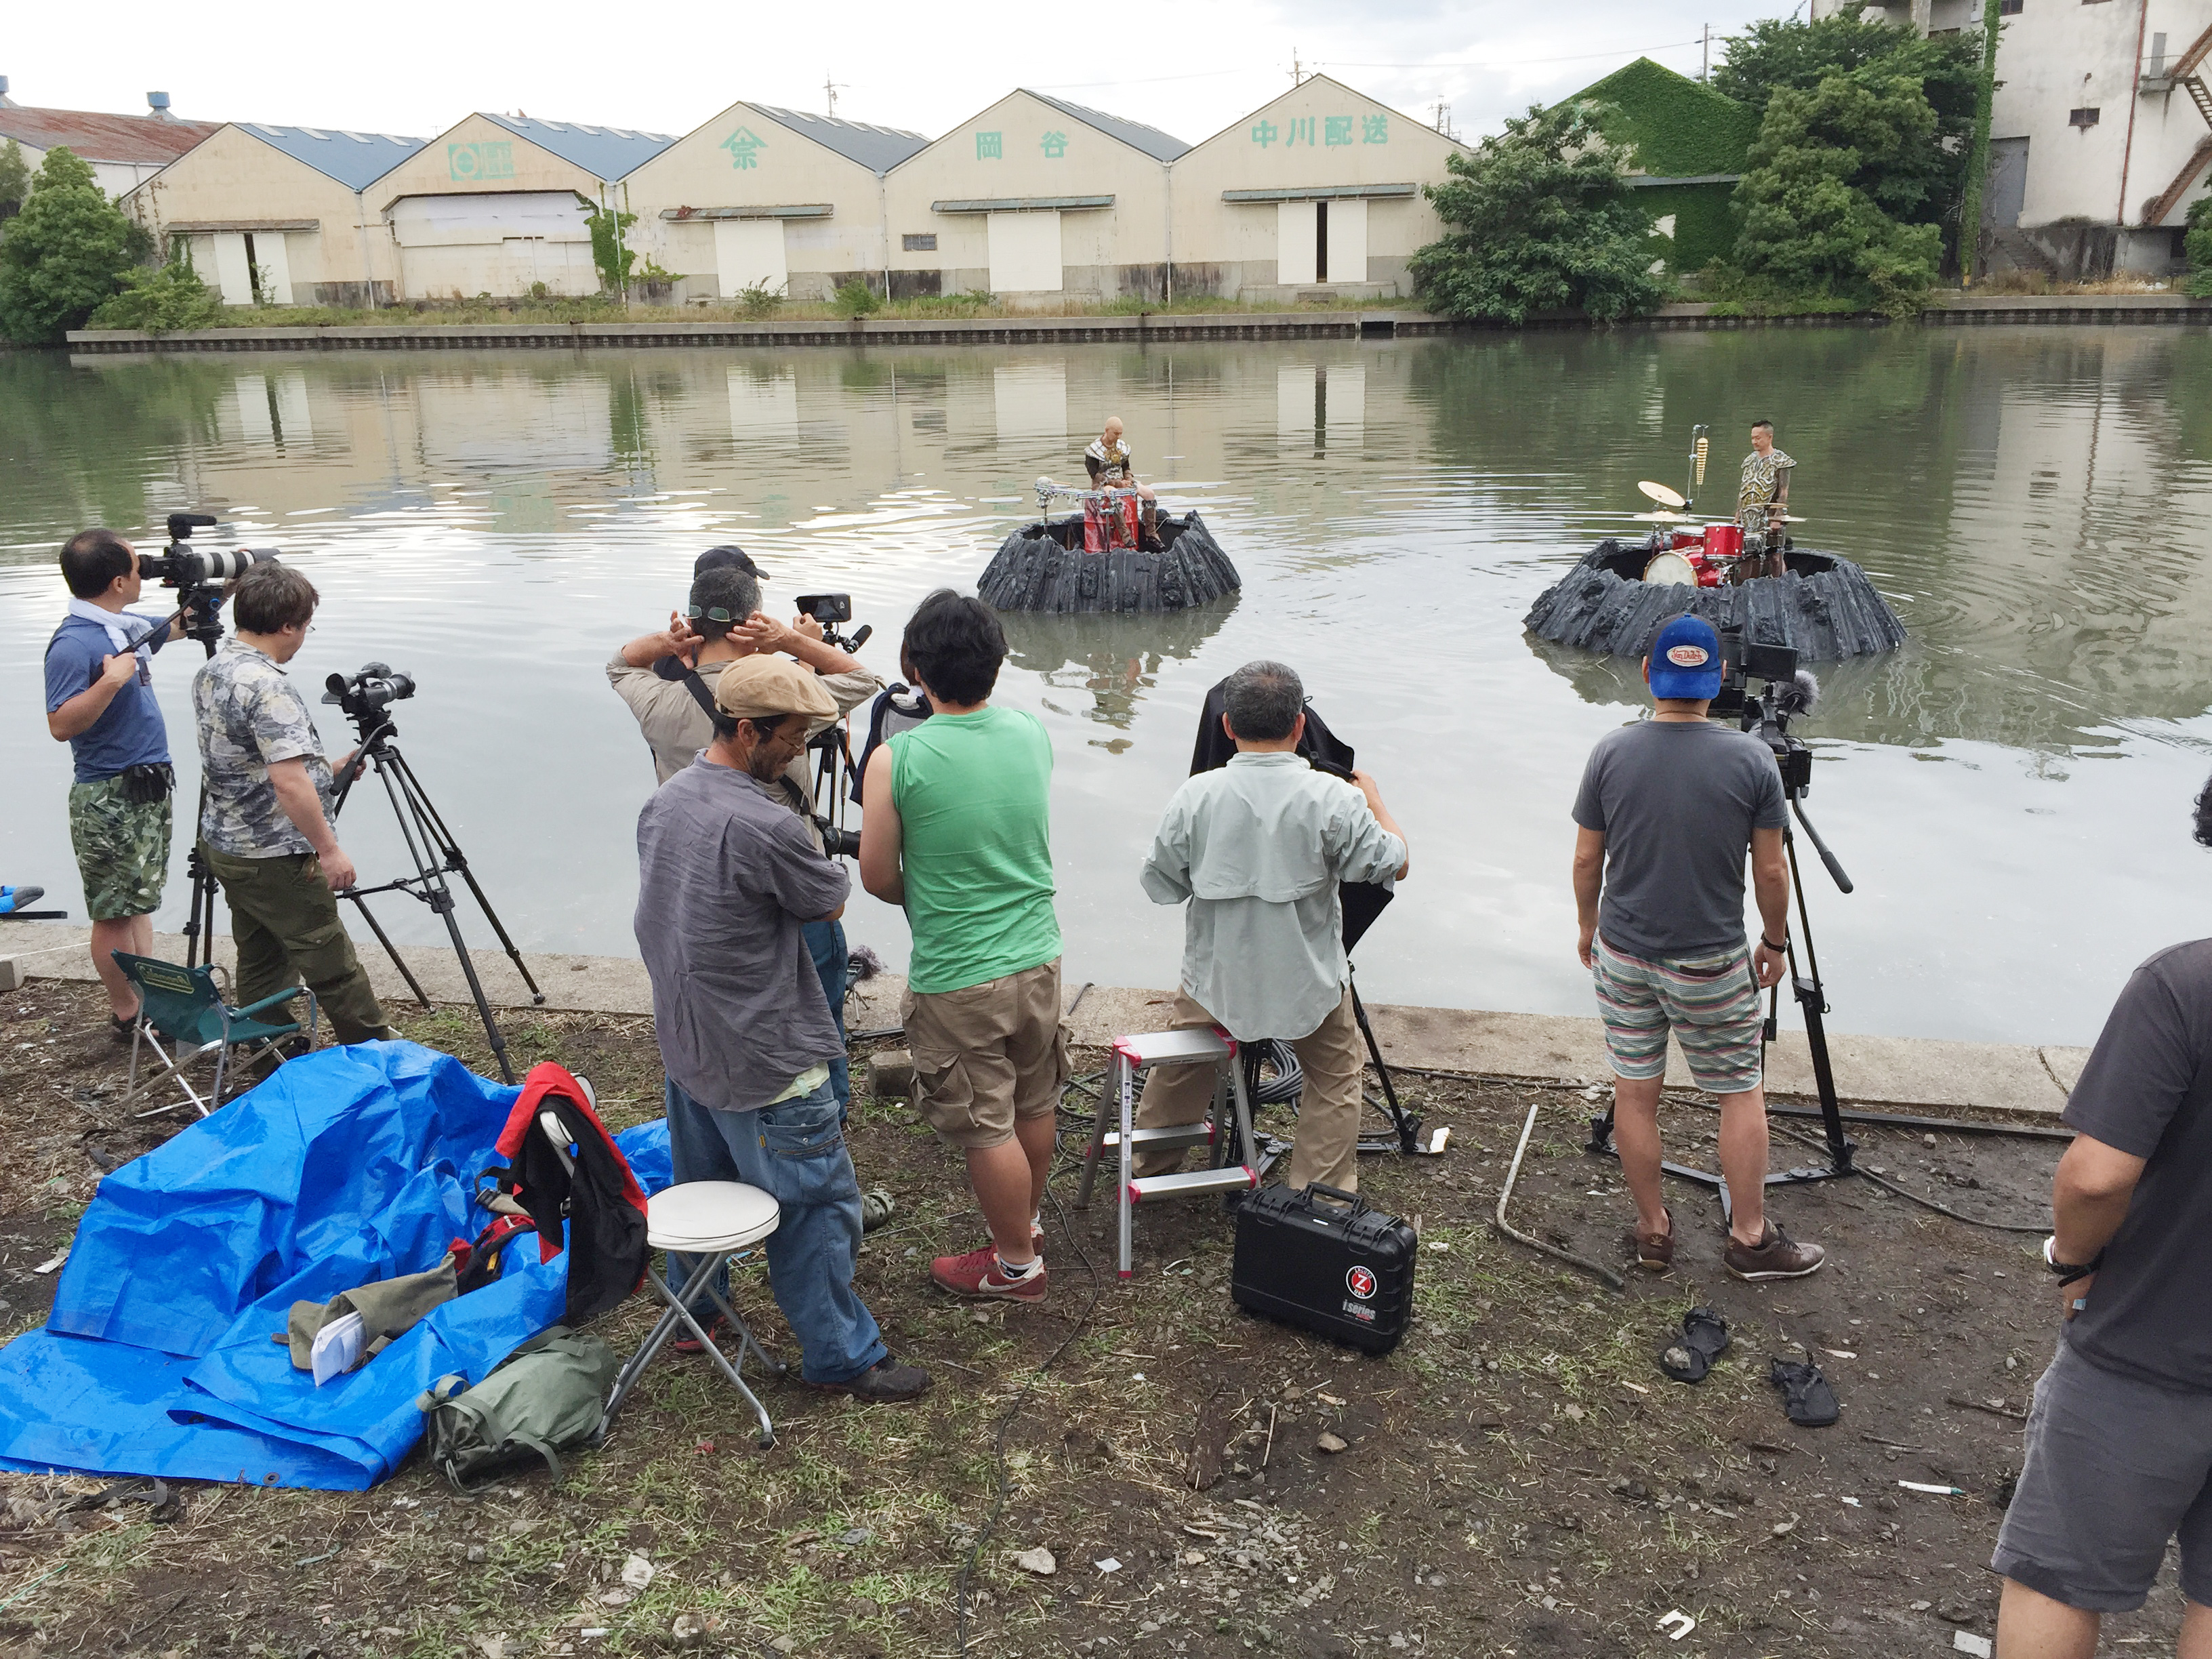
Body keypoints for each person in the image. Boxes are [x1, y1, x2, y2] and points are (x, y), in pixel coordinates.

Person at [634, 653, 927, 1401]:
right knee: (816, 1205)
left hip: (691, 1039)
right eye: (793, 735)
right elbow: (828, 900)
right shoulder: (765, 822)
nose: (801, 747)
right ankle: (841, 1355)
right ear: (746, 729)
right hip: (767, 1053)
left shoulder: (667, 802)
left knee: (704, 1177)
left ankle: (699, 1309)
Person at [1990, 773, 2212, 1658]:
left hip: (2143, 1348)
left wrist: (2069, 1261)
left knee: (2057, 1571)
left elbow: (2094, 1178)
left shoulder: (2182, 987)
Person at [1570, 611, 1824, 1282]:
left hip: (1624, 953)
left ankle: (1653, 1232)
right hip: (1709, 960)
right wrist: (1774, 940)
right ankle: (1748, 1239)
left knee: (1635, 1093)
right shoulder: (1751, 760)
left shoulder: (1610, 751)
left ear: (1650, 674)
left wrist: (1587, 926)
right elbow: (1772, 872)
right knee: (1740, 1092)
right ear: (1718, 685)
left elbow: (1586, 860)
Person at [608, 556, 882, 1117]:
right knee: (815, 1009)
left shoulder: (657, 701)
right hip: (788, 883)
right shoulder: (784, 696)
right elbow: (864, 679)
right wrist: (789, 642)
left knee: (718, 1008)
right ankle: (824, 1119)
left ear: (691, 622)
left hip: (701, 891)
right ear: (752, 622)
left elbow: (618, 665)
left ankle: (725, 1110)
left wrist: (668, 642)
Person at [1130, 661, 1409, 1195]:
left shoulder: (1196, 796)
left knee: (1186, 1060)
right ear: (1300, 726)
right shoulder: (1336, 798)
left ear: (1227, 725)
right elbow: (1392, 862)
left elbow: (1160, 885)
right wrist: (1374, 799)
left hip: (1217, 975)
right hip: (1309, 976)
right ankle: (1316, 1195)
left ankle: (1148, 1166)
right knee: (1334, 1078)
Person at [858, 590, 1065, 1304]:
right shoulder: (1032, 733)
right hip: (1038, 954)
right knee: (1034, 1097)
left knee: (985, 1121)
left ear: (914, 668)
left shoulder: (895, 758)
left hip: (959, 972)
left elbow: (879, 875)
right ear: (999, 665)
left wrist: (929, 891)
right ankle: (1026, 1226)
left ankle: (1015, 1267)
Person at [192, 561, 396, 1045]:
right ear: (288, 626)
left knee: (261, 958)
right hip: (276, 855)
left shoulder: (214, 669)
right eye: (305, 624)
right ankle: (380, 1057)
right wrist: (328, 850)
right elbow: (287, 783)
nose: (304, 634)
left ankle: (271, 1055)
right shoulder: (269, 686)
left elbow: (250, 762)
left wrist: (325, 770)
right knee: (332, 964)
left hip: (227, 846)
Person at [43, 529, 185, 1037]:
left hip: (146, 785)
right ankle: (128, 1014)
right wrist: (108, 682)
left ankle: (155, 1004)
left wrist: (220, 584)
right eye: (138, 565)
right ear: (119, 580)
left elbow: (178, 626)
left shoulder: (123, 625)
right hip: (107, 795)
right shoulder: (73, 642)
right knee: (113, 914)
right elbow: (60, 725)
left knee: (139, 904)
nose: (145, 569)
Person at [1084, 416, 1158, 546]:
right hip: (1103, 483)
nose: (1119, 436)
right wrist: (1117, 484)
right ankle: (1125, 535)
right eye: (1116, 433)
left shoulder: (1122, 447)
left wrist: (1128, 479)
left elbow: (1126, 467)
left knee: (1149, 494)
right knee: (1115, 495)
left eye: (1121, 433)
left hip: (1122, 480)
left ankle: (1151, 533)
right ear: (1107, 431)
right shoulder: (1094, 450)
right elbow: (1094, 475)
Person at [1738, 420, 1793, 579]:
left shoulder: (1781, 460)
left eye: (1758, 438)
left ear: (1770, 437)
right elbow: (1744, 489)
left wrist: (1777, 517)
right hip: (1748, 516)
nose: (1754, 442)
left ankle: (1780, 584)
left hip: (1769, 516)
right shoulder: (1749, 460)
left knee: (1774, 555)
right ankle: (1749, 586)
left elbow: (1784, 491)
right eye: (1753, 438)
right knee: (1749, 554)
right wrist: (1737, 514)